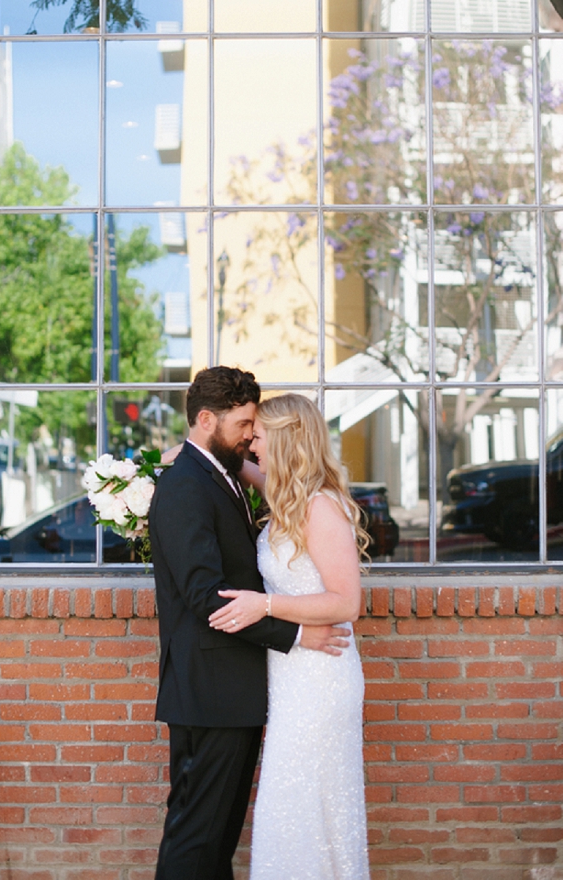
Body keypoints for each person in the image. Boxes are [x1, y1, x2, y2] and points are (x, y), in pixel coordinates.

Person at [149, 367, 351, 880]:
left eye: (257, 429)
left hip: (241, 689)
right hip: (210, 691)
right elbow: (206, 596)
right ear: (206, 419)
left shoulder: (225, 473)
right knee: (197, 835)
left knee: (217, 838)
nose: (249, 436)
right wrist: (299, 634)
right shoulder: (186, 487)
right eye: (243, 425)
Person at [208, 392, 371, 880]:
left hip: (321, 678)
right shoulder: (286, 495)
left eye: (259, 435)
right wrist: (181, 454)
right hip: (291, 674)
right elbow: (234, 466)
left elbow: (347, 602)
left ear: (286, 439)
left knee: (307, 803)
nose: (252, 443)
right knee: (290, 803)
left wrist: (266, 605)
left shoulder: (320, 507)